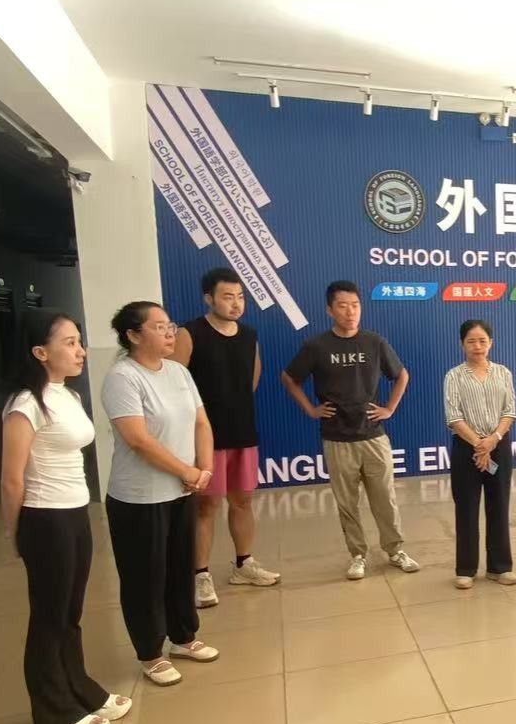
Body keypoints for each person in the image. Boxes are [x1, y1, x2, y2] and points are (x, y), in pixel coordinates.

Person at [0, 310, 133, 724]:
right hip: (44, 518)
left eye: (79, 341)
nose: (80, 351)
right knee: (49, 616)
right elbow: (11, 479)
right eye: (70, 342)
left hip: (74, 513)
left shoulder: (67, 395)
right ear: (41, 352)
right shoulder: (25, 404)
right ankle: (51, 716)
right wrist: (15, 533)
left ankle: (78, 688)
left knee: (70, 613)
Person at [102, 302, 220, 687]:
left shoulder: (178, 372)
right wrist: (186, 471)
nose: (170, 333)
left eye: (170, 325)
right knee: (145, 576)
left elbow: (201, 421)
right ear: (133, 335)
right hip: (140, 497)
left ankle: (184, 637)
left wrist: (204, 468)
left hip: (182, 490)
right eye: (159, 327)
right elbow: (138, 439)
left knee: (179, 568)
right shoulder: (122, 377)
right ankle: (151, 653)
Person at [281, 280, 421, 580]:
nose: (350, 312)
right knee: (347, 503)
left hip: (373, 435)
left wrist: (389, 408)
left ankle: (395, 550)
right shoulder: (317, 346)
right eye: (342, 306)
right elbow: (289, 378)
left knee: (385, 498)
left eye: (355, 305)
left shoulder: (374, 342)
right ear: (329, 310)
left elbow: (401, 375)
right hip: (337, 437)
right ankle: (358, 555)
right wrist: (311, 409)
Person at [171, 267, 280, 608]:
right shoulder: (190, 333)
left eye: (240, 297)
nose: (236, 304)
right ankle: (200, 574)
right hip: (204, 436)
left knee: (243, 501)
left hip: (242, 431)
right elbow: (173, 386)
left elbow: (252, 380)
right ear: (209, 298)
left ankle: (244, 564)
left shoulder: (249, 335)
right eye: (227, 297)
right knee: (206, 505)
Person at [443, 318, 516, 589]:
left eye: (482, 341)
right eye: (471, 341)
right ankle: (466, 569)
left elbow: (509, 411)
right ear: (462, 344)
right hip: (467, 448)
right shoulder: (454, 376)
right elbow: (453, 417)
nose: (477, 346)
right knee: (466, 507)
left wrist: (493, 440)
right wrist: (479, 444)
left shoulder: (503, 373)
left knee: (499, 505)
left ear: (491, 343)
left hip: (499, 445)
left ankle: (500, 567)